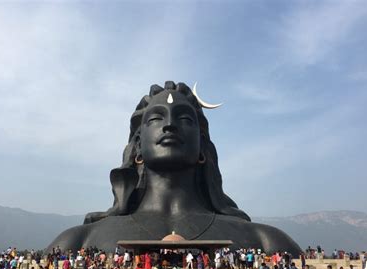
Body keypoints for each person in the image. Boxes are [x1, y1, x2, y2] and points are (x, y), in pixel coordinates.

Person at [47, 82, 302, 256]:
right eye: (157, 118)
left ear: (202, 146)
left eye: (184, 118)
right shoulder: (77, 241)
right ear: (137, 146)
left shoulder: (267, 241)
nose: (170, 125)